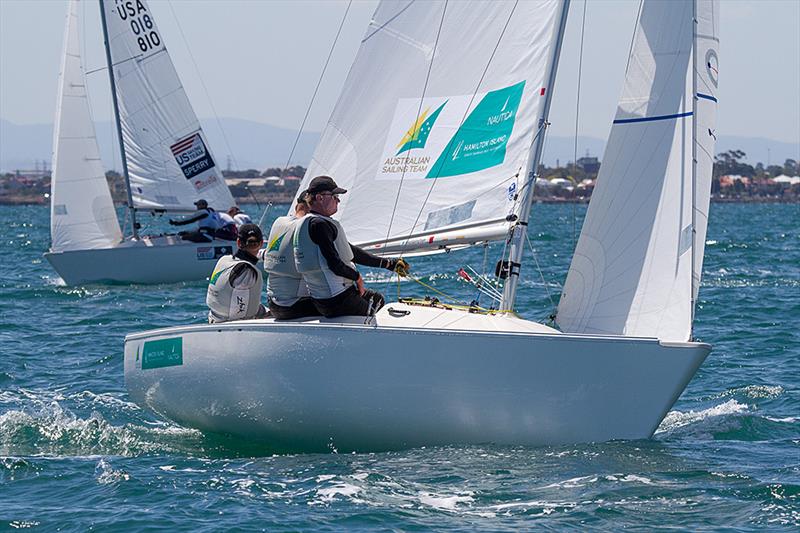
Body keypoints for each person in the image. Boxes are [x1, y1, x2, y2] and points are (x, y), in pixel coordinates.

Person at [293, 176, 410, 318]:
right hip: (337, 300)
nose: (338, 200)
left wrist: (388, 264)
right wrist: (357, 277)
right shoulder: (319, 225)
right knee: (376, 305)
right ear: (320, 198)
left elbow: (352, 252)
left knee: (376, 298)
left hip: (321, 300)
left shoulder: (305, 223)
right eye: (334, 196)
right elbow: (335, 265)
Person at [263, 190, 320, 320]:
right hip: (294, 305)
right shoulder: (307, 226)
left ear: (296, 206)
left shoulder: (279, 222)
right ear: (312, 207)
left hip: (273, 303)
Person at [206, 223, 268, 323]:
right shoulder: (247, 273)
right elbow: (240, 313)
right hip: (232, 327)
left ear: (238, 242)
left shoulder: (224, 259)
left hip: (214, 319)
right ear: (261, 243)